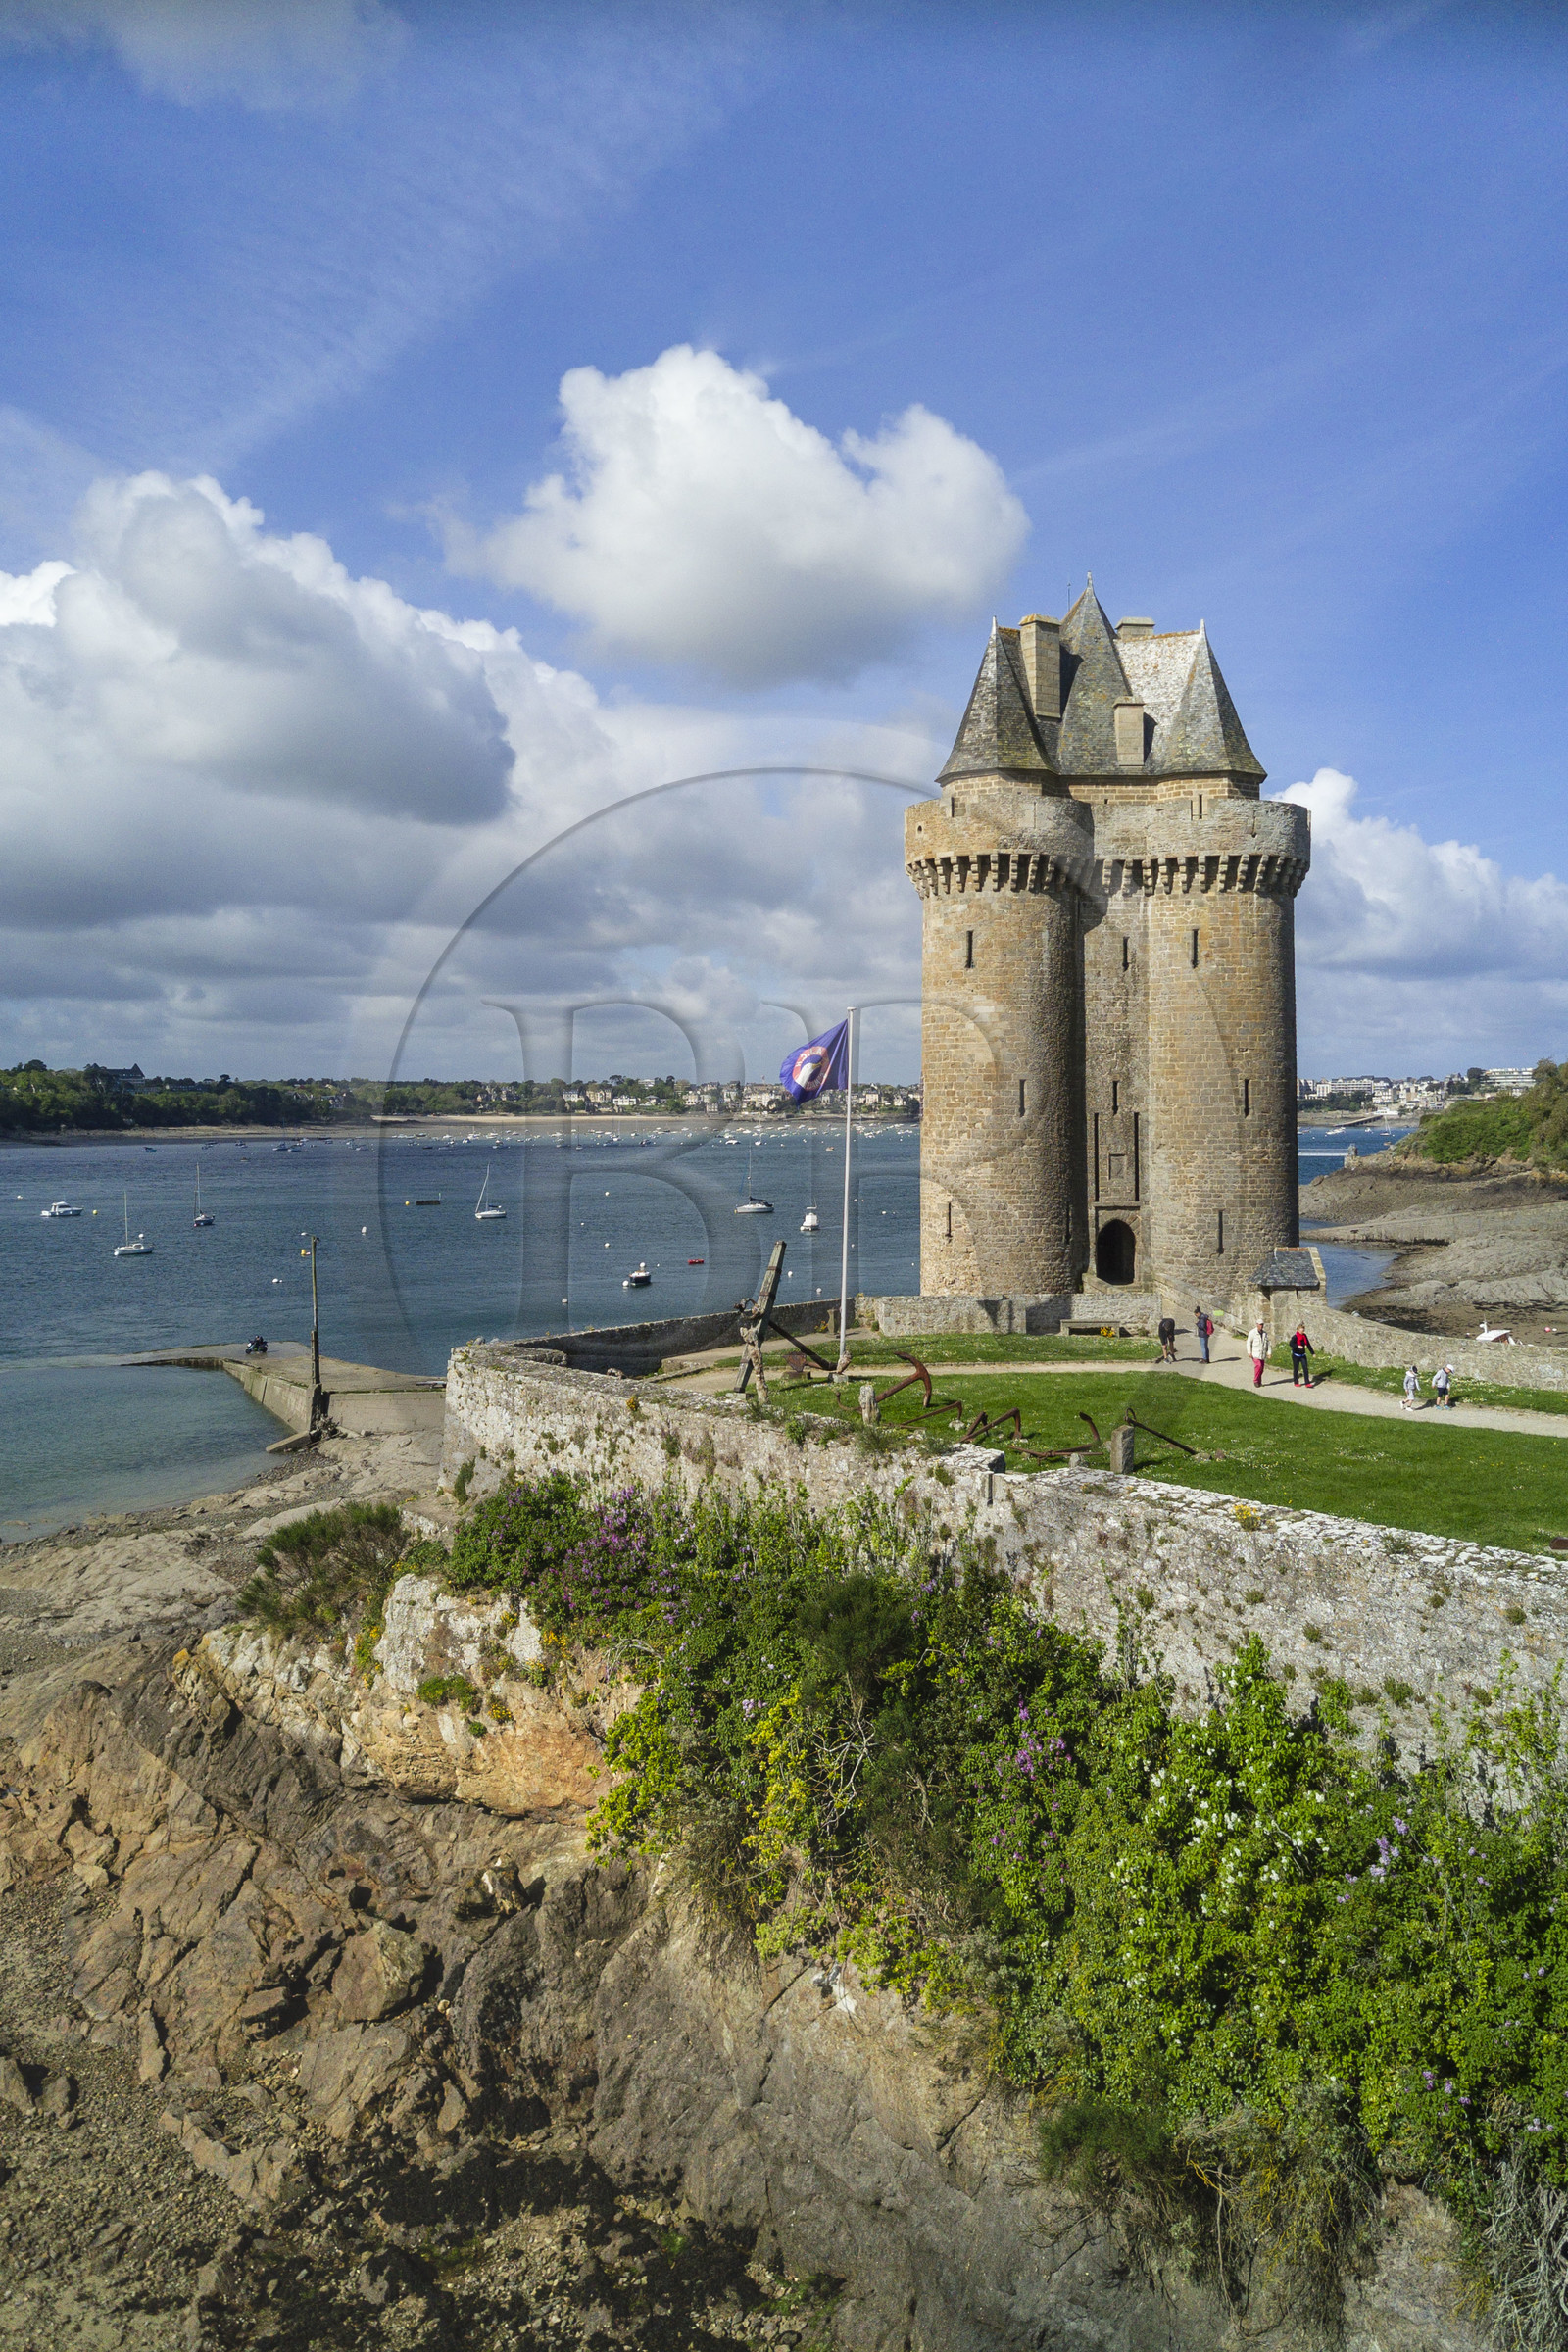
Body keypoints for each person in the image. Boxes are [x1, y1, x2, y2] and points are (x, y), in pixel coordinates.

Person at [1289, 1322, 1315, 1387]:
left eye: (1303, 1329)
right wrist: (1298, 1346)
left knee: (1305, 1368)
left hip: (1303, 1355)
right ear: (1298, 1330)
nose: (1302, 1331)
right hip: (1296, 1355)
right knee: (1296, 1369)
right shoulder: (1295, 1337)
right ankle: (1296, 1382)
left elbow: (1308, 1344)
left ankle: (1307, 1383)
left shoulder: (1304, 1336)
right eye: (1301, 1329)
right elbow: (1291, 1343)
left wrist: (1313, 1353)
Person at [1248, 1320, 1268, 1387]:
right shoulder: (1252, 1332)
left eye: (1262, 1324)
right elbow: (1249, 1342)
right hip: (1255, 1353)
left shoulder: (1265, 1333)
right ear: (1257, 1324)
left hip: (1262, 1353)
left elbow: (1268, 1343)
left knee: (1261, 1369)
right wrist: (1249, 1352)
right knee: (1258, 1366)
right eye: (1260, 1324)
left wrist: (1269, 1352)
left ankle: (1259, 1381)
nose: (1261, 1326)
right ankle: (1256, 1380)